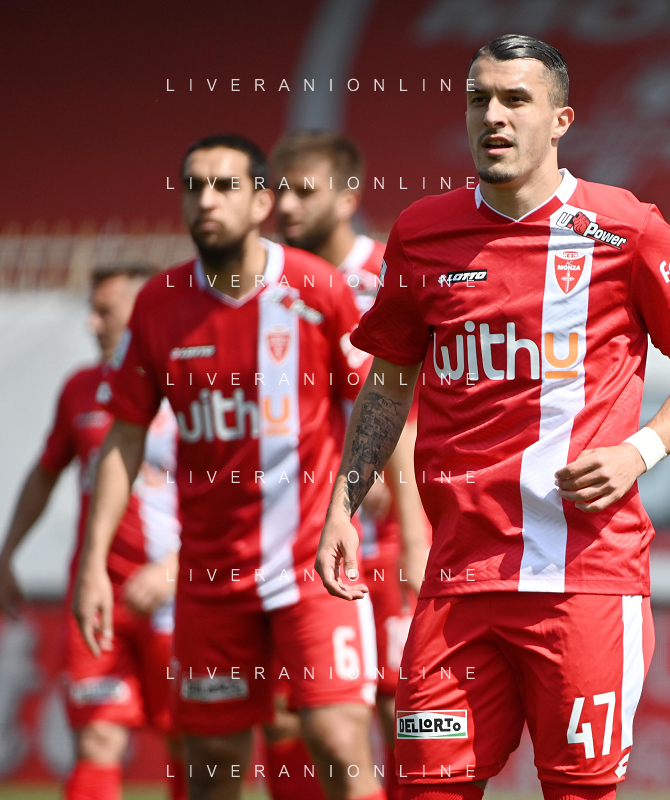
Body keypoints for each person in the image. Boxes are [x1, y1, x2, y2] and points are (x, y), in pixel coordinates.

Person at [315, 34, 670, 800]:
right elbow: (389, 381)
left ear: (561, 119)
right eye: (479, 99)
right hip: (457, 579)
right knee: (424, 789)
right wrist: (341, 505)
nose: (493, 116)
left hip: (584, 579)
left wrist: (638, 451)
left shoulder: (626, 228)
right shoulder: (421, 232)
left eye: (516, 99)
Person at [72, 134, 383, 800]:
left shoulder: (317, 287)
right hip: (211, 578)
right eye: (193, 187)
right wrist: (94, 562)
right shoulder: (159, 304)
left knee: (337, 739)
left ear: (263, 202)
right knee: (212, 763)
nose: (206, 201)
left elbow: (377, 406)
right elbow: (124, 437)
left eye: (225, 186)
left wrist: (358, 507)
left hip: (311, 566)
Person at [273, 129, 431, 800]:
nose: (285, 205)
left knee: (403, 708)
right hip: (298, 531)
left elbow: (404, 404)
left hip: (391, 530)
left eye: (303, 191)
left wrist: (413, 527)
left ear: (347, 197)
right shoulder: (270, 284)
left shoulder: (389, 274)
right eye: (278, 190)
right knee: (297, 723)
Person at [0, 262, 183, 800]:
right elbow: (45, 472)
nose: (91, 324)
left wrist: (175, 568)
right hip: (97, 597)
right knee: (98, 739)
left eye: (105, 312)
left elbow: (236, 492)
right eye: (90, 312)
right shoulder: (80, 389)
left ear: (144, 314)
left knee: (193, 744)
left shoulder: (194, 387)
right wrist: (8, 552)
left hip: (182, 600)